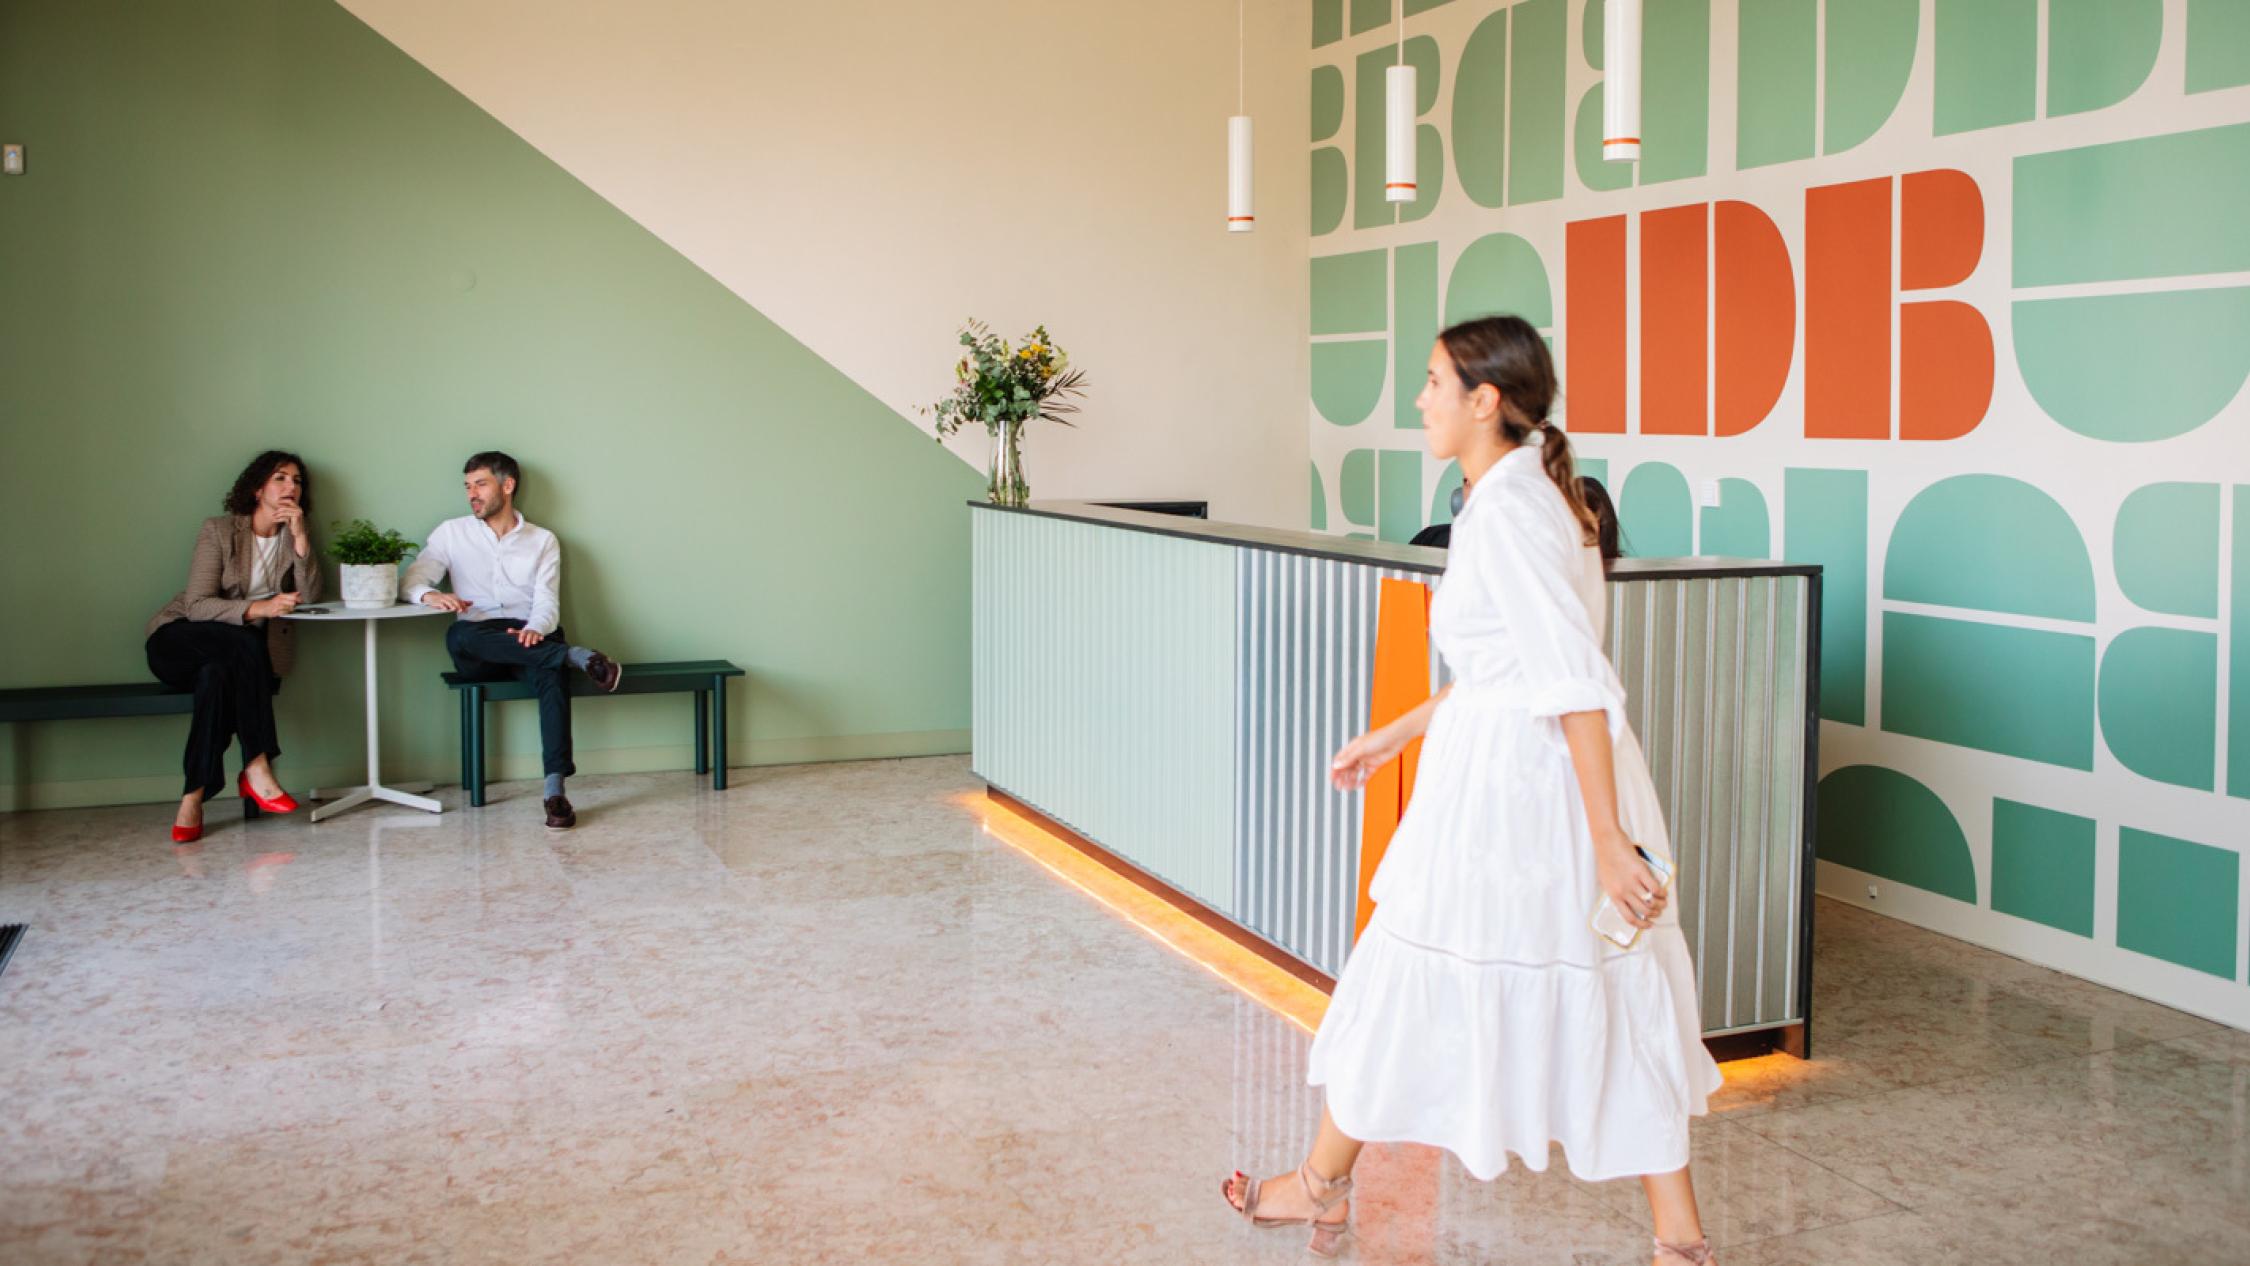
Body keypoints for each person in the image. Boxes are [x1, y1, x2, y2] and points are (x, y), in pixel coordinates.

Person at [1222, 316, 1722, 1264]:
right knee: (1608, 993)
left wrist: (1608, 842)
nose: (1421, 400)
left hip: (1523, 799)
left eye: (1432, 382)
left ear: (1484, 401)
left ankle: (1321, 1186)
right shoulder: (1532, 496)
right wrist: (1394, 733)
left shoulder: (1507, 512)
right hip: (1520, 775)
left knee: (1420, 978)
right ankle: (1680, 1243)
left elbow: (1574, 681)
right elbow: (1505, 668)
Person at [402, 451, 621, 829]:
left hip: (531, 635)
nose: (472, 493)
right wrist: (430, 595)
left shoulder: (543, 540)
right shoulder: (451, 533)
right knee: (461, 633)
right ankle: (576, 656)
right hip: (479, 640)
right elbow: (412, 580)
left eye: (480, 484)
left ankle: (555, 792)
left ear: (507, 486)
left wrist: (535, 629)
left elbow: (547, 600)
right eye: (468, 486)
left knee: (549, 672)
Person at [145, 450, 323, 843]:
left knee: (217, 678)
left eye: (296, 480)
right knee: (241, 641)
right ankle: (257, 765)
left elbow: (309, 596)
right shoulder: (220, 530)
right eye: (280, 478)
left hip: (233, 658)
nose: (290, 486)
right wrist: (259, 607)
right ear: (258, 489)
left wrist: (301, 538)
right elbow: (197, 604)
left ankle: (193, 796)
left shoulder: (292, 538)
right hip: (179, 638)